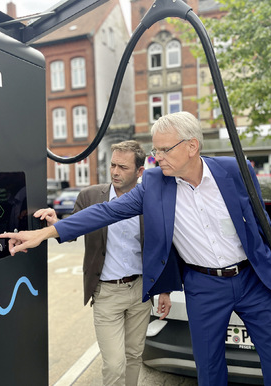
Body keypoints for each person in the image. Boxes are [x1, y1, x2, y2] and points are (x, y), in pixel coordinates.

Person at [0, 112, 271, 386]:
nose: (157, 158)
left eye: (164, 150)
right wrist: (47, 233)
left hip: (252, 281)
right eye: (155, 150)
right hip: (204, 286)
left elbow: (263, 226)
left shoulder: (237, 171)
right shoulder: (154, 184)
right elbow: (106, 212)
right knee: (209, 367)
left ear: (192, 146)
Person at [36, 141, 171, 386]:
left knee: (133, 356)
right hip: (107, 292)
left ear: (140, 172)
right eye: (112, 165)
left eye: (123, 167)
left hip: (140, 291)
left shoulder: (150, 200)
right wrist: (56, 223)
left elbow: (163, 245)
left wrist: (164, 289)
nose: (115, 172)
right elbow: (73, 231)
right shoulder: (89, 196)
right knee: (114, 364)